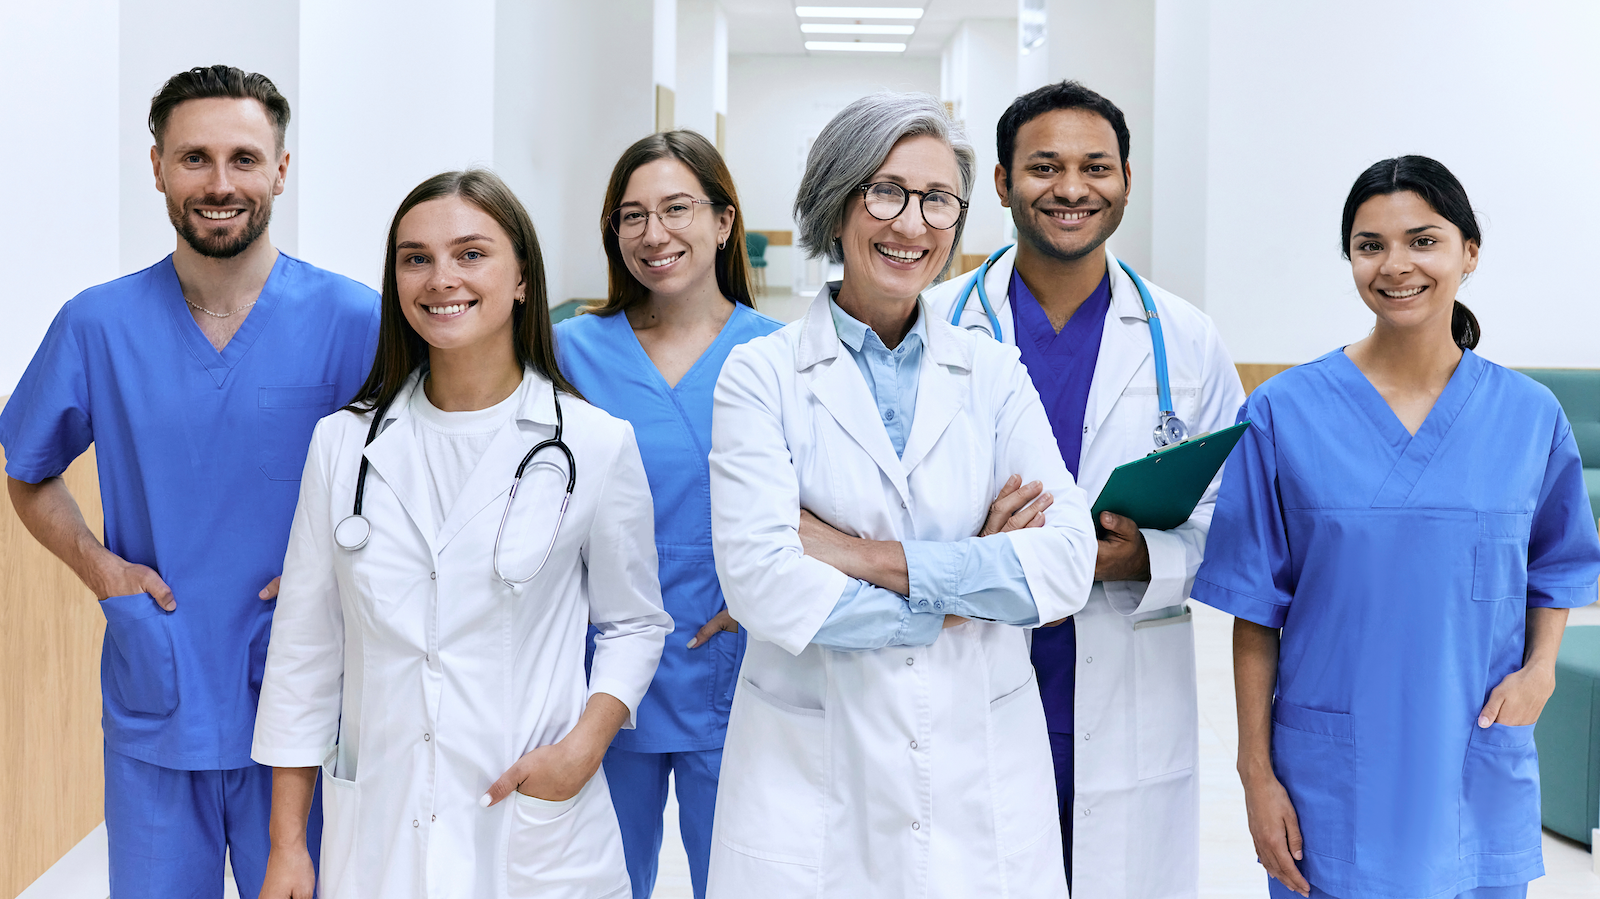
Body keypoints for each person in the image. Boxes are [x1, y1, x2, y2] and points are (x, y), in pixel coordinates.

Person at [705, 92, 1098, 899]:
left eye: (937, 200)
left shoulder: (989, 371)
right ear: (836, 203)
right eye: (883, 191)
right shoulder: (762, 376)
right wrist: (971, 586)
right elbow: (765, 586)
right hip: (811, 772)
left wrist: (858, 557)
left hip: (978, 768)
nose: (912, 224)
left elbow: (1065, 566)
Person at [0, 65, 376, 898]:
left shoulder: (356, 321)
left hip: (306, 697)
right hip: (159, 688)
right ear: (158, 168)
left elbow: (413, 486)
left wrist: (349, 574)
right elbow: (28, 471)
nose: (219, 183)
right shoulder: (98, 325)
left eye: (244, 159)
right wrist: (103, 571)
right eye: (194, 158)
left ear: (281, 170)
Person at [252, 169, 670, 899]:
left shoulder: (594, 445)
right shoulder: (342, 445)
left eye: (470, 254)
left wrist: (581, 750)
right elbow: (304, 650)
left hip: (529, 821)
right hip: (380, 824)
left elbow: (634, 623)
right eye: (415, 258)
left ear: (520, 279)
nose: (440, 278)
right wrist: (288, 843)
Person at [1192, 156, 1600, 899]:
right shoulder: (1284, 411)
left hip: (1475, 763)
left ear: (1468, 253)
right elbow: (1255, 612)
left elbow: (1559, 565)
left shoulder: (1528, 414)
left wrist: (1541, 672)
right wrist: (1257, 775)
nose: (1395, 265)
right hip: (1333, 777)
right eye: (1369, 244)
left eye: (1423, 240)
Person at [925, 79, 1244, 898]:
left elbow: (1233, 520)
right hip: (973, 660)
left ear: (1127, 180)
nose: (1072, 188)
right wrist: (989, 553)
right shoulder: (930, 327)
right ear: (1000, 183)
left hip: (1125, 672)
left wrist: (1145, 558)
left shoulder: (1186, 339)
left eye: (1096, 166)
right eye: (1044, 166)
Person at [555, 130, 782, 899]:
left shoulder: (781, 356)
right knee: (605, 878)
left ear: (724, 222)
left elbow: (829, 508)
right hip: (601, 664)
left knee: (742, 876)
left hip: (742, 659)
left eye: (677, 209)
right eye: (632, 215)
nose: (654, 234)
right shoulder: (567, 353)